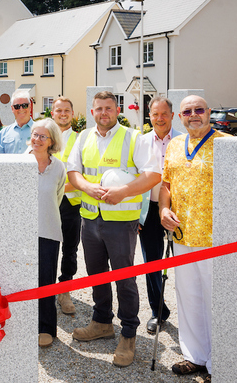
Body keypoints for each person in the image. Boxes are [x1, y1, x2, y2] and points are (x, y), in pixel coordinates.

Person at [66, 91, 161, 367]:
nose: (103, 113)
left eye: (108, 108)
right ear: (92, 111)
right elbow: (74, 172)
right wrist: (85, 186)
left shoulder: (134, 138)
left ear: (117, 110)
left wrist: (122, 192)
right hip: (90, 218)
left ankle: (128, 333)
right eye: (98, 109)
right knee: (96, 274)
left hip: (121, 220)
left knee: (124, 278)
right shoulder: (83, 137)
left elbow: (153, 175)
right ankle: (102, 322)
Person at [160, 95, 227, 383]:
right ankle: (196, 357)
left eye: (199, 110)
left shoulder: (227, 144)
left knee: (216, 302)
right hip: (182, 236)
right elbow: (166, 184)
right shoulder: (174, 144)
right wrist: (163, 210)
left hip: (215, 240)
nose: (194, 115)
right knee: (188, 298)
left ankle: (221, 366)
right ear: (180, 117)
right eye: (187, 111)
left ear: (209, 113)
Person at [138, 96, 181, 334]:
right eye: (155, 114)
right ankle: (158, 311)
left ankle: (190, 313)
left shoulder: (184, 141)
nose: (160, 118)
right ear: (150, 116)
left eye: (164, 114)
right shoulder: (141, 141)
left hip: (180, 211)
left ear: (172, 116)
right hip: (150, 211)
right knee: (151, 264)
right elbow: (135, 177)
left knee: (184, 263)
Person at [28, 118, 66, 348]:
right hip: (25, 232)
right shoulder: (20, 162)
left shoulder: (58, 166)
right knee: (24, 281)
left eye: (43, 136)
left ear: (51, 141)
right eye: (34, 134)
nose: (37, 140)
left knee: (46, 281)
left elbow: (58, 197)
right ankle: (25, 325)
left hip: (49, 230)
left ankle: (46, 327)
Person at [50, 97, 82, 316]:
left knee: (70, 248)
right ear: (52, 113)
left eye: (66, 110)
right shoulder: (44, 136)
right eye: (58, 110)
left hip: (71, 203)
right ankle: (46, 289)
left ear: (73, 114)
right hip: (48, 203)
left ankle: (65, 290)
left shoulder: (82, 139)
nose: (63, 114)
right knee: (47, 248)